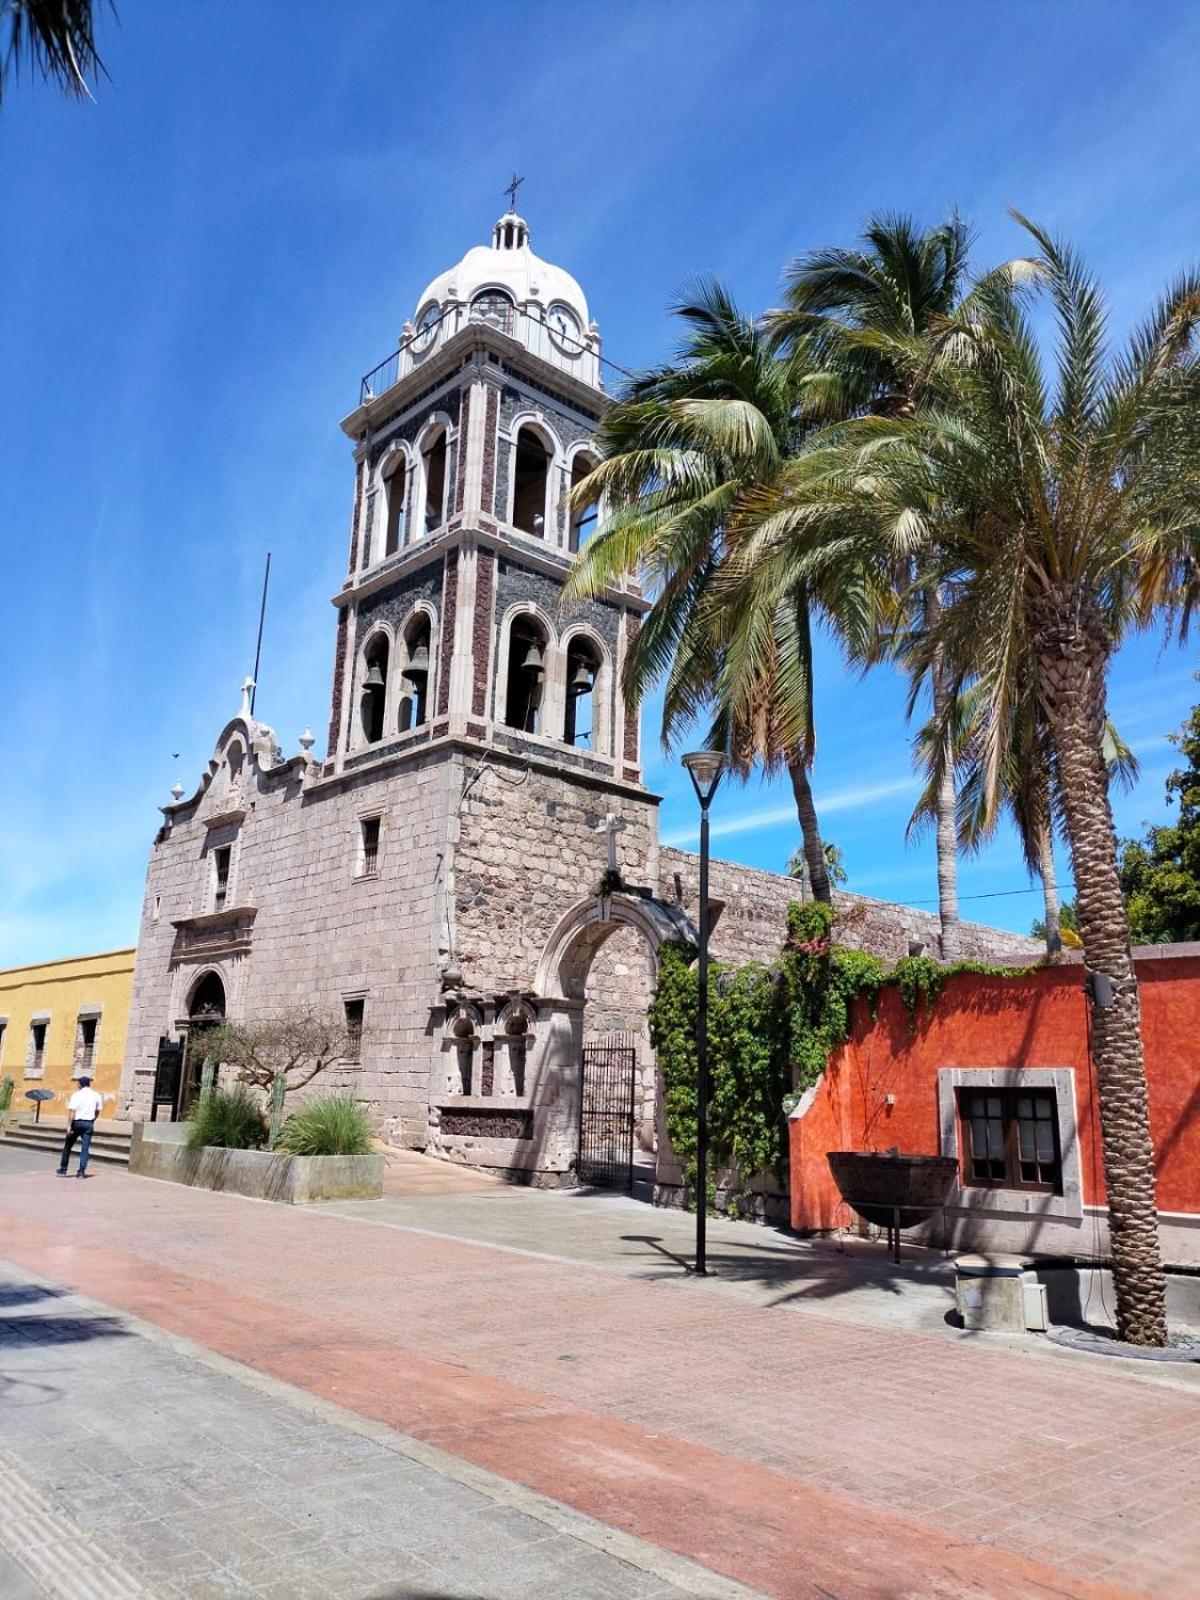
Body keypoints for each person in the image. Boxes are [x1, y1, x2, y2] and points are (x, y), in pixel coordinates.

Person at [57, 1077, 103, 1179]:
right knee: (85, 1148)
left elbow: (72, 1111)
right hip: (88, 1123)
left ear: (80, 1084)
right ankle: (81, 1172)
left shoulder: (76, 1095)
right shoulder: (96, 1095)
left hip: (76, 1123)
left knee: (68, 1146)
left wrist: (69, 1125)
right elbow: (97, 1111)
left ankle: (63, 1170)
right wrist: (92, 1120)